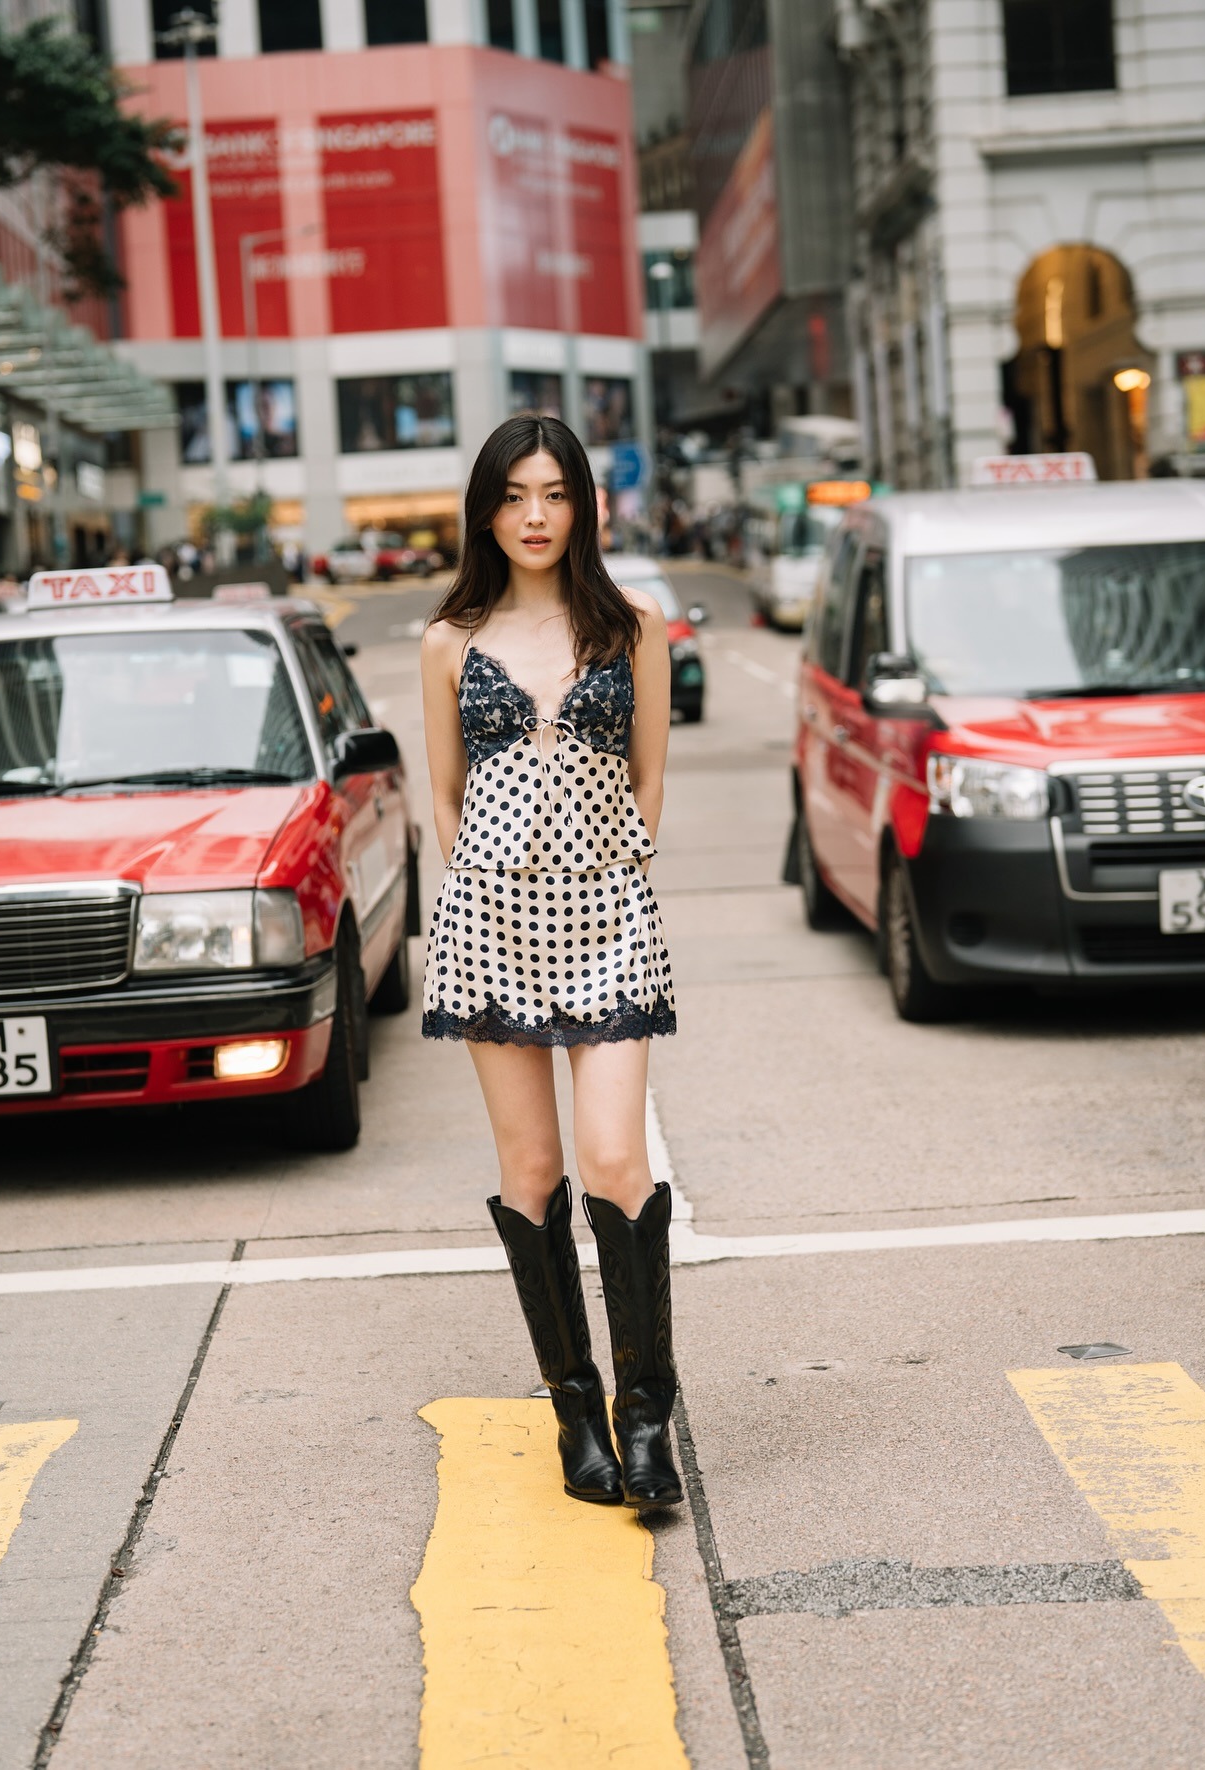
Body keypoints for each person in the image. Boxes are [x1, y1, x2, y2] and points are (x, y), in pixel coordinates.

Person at [420, 414, 682, 1510]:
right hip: (492, 929)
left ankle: (648, 1420)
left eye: (557, 493)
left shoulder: (633, 629)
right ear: (488, 508)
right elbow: (444, 801)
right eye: (517, 494)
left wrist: (611, 870)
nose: (537, 515)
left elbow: (649, 782)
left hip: (609, 919)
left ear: (586, 506)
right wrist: (489, 885)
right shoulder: (448, 642)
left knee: (618, 1160)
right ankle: (575, 1411)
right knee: (530, 1173)